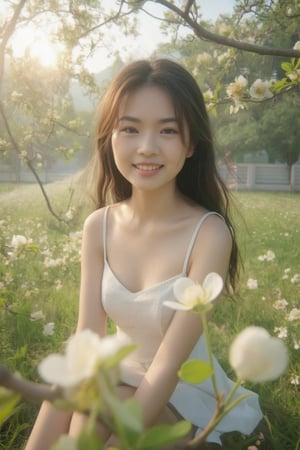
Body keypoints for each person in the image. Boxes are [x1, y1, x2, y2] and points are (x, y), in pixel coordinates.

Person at [25, 59, 262, 450]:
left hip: (183, 397)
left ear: (190, 144)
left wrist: (116, 444)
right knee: (73, 393)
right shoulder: (98, 227)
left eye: (167, 130)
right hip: (118, 376)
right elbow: (88, 336)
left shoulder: (209, 234)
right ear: (110, 138)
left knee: (103, 405)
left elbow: (168, 365)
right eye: (130, 129)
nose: (147, 148)